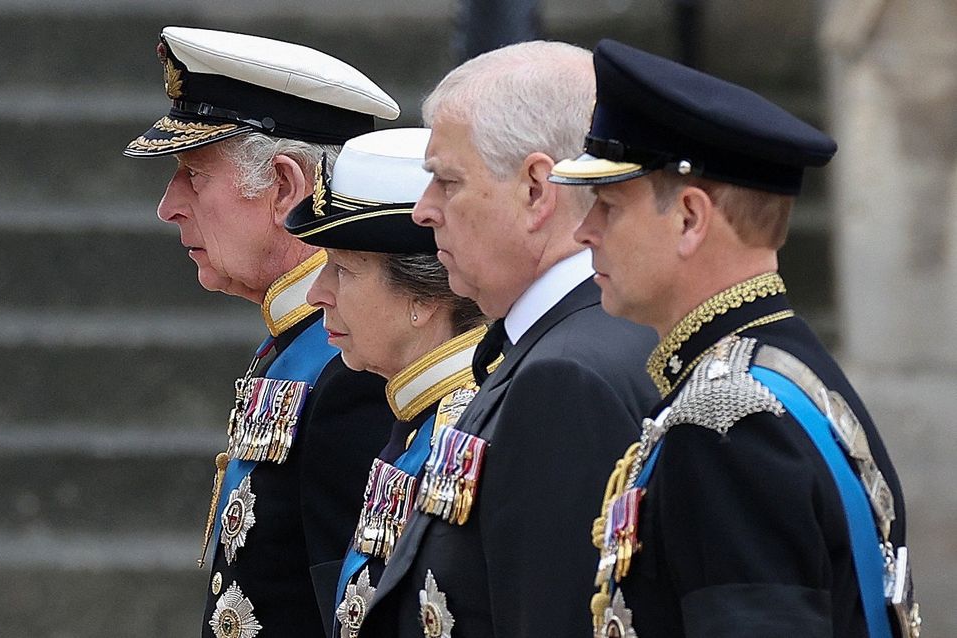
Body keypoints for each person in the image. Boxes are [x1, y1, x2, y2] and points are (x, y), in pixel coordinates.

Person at [551, 39, 920, 637]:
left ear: (691, 219)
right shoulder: (786, 368)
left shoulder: (728, 424)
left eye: (608, 206)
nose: (585, 231)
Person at [355, 41, 658, 638]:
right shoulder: (563, 344)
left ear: (536, 190)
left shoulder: (566, 377)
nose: (423, 210)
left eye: (446, 181)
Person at [124, 26, 401, 638]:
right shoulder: (298, 347)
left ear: (285, 187)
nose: (168, 206)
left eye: (194, 175)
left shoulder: (353, 365)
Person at [284, 127, 489, 638]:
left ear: (423, 296)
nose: (316, 293)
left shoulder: (464, 426)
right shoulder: (416, 421)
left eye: (343, 270)